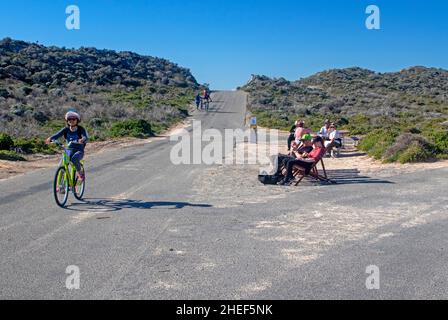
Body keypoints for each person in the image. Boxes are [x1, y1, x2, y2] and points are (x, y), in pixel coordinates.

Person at [45, 110, 89, 181]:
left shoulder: (80, 129)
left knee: (74, 159)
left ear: (77, 120)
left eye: (73, 119)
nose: (71, 121)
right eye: (69, 119)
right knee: (63, 164)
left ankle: (80, 173)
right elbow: (57, 135)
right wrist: (50, 138)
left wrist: (82, 140)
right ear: (67, 121)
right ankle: (61, 185)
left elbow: (84, 136)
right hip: (69, 150)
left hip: (79, 150)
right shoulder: (66, 129)